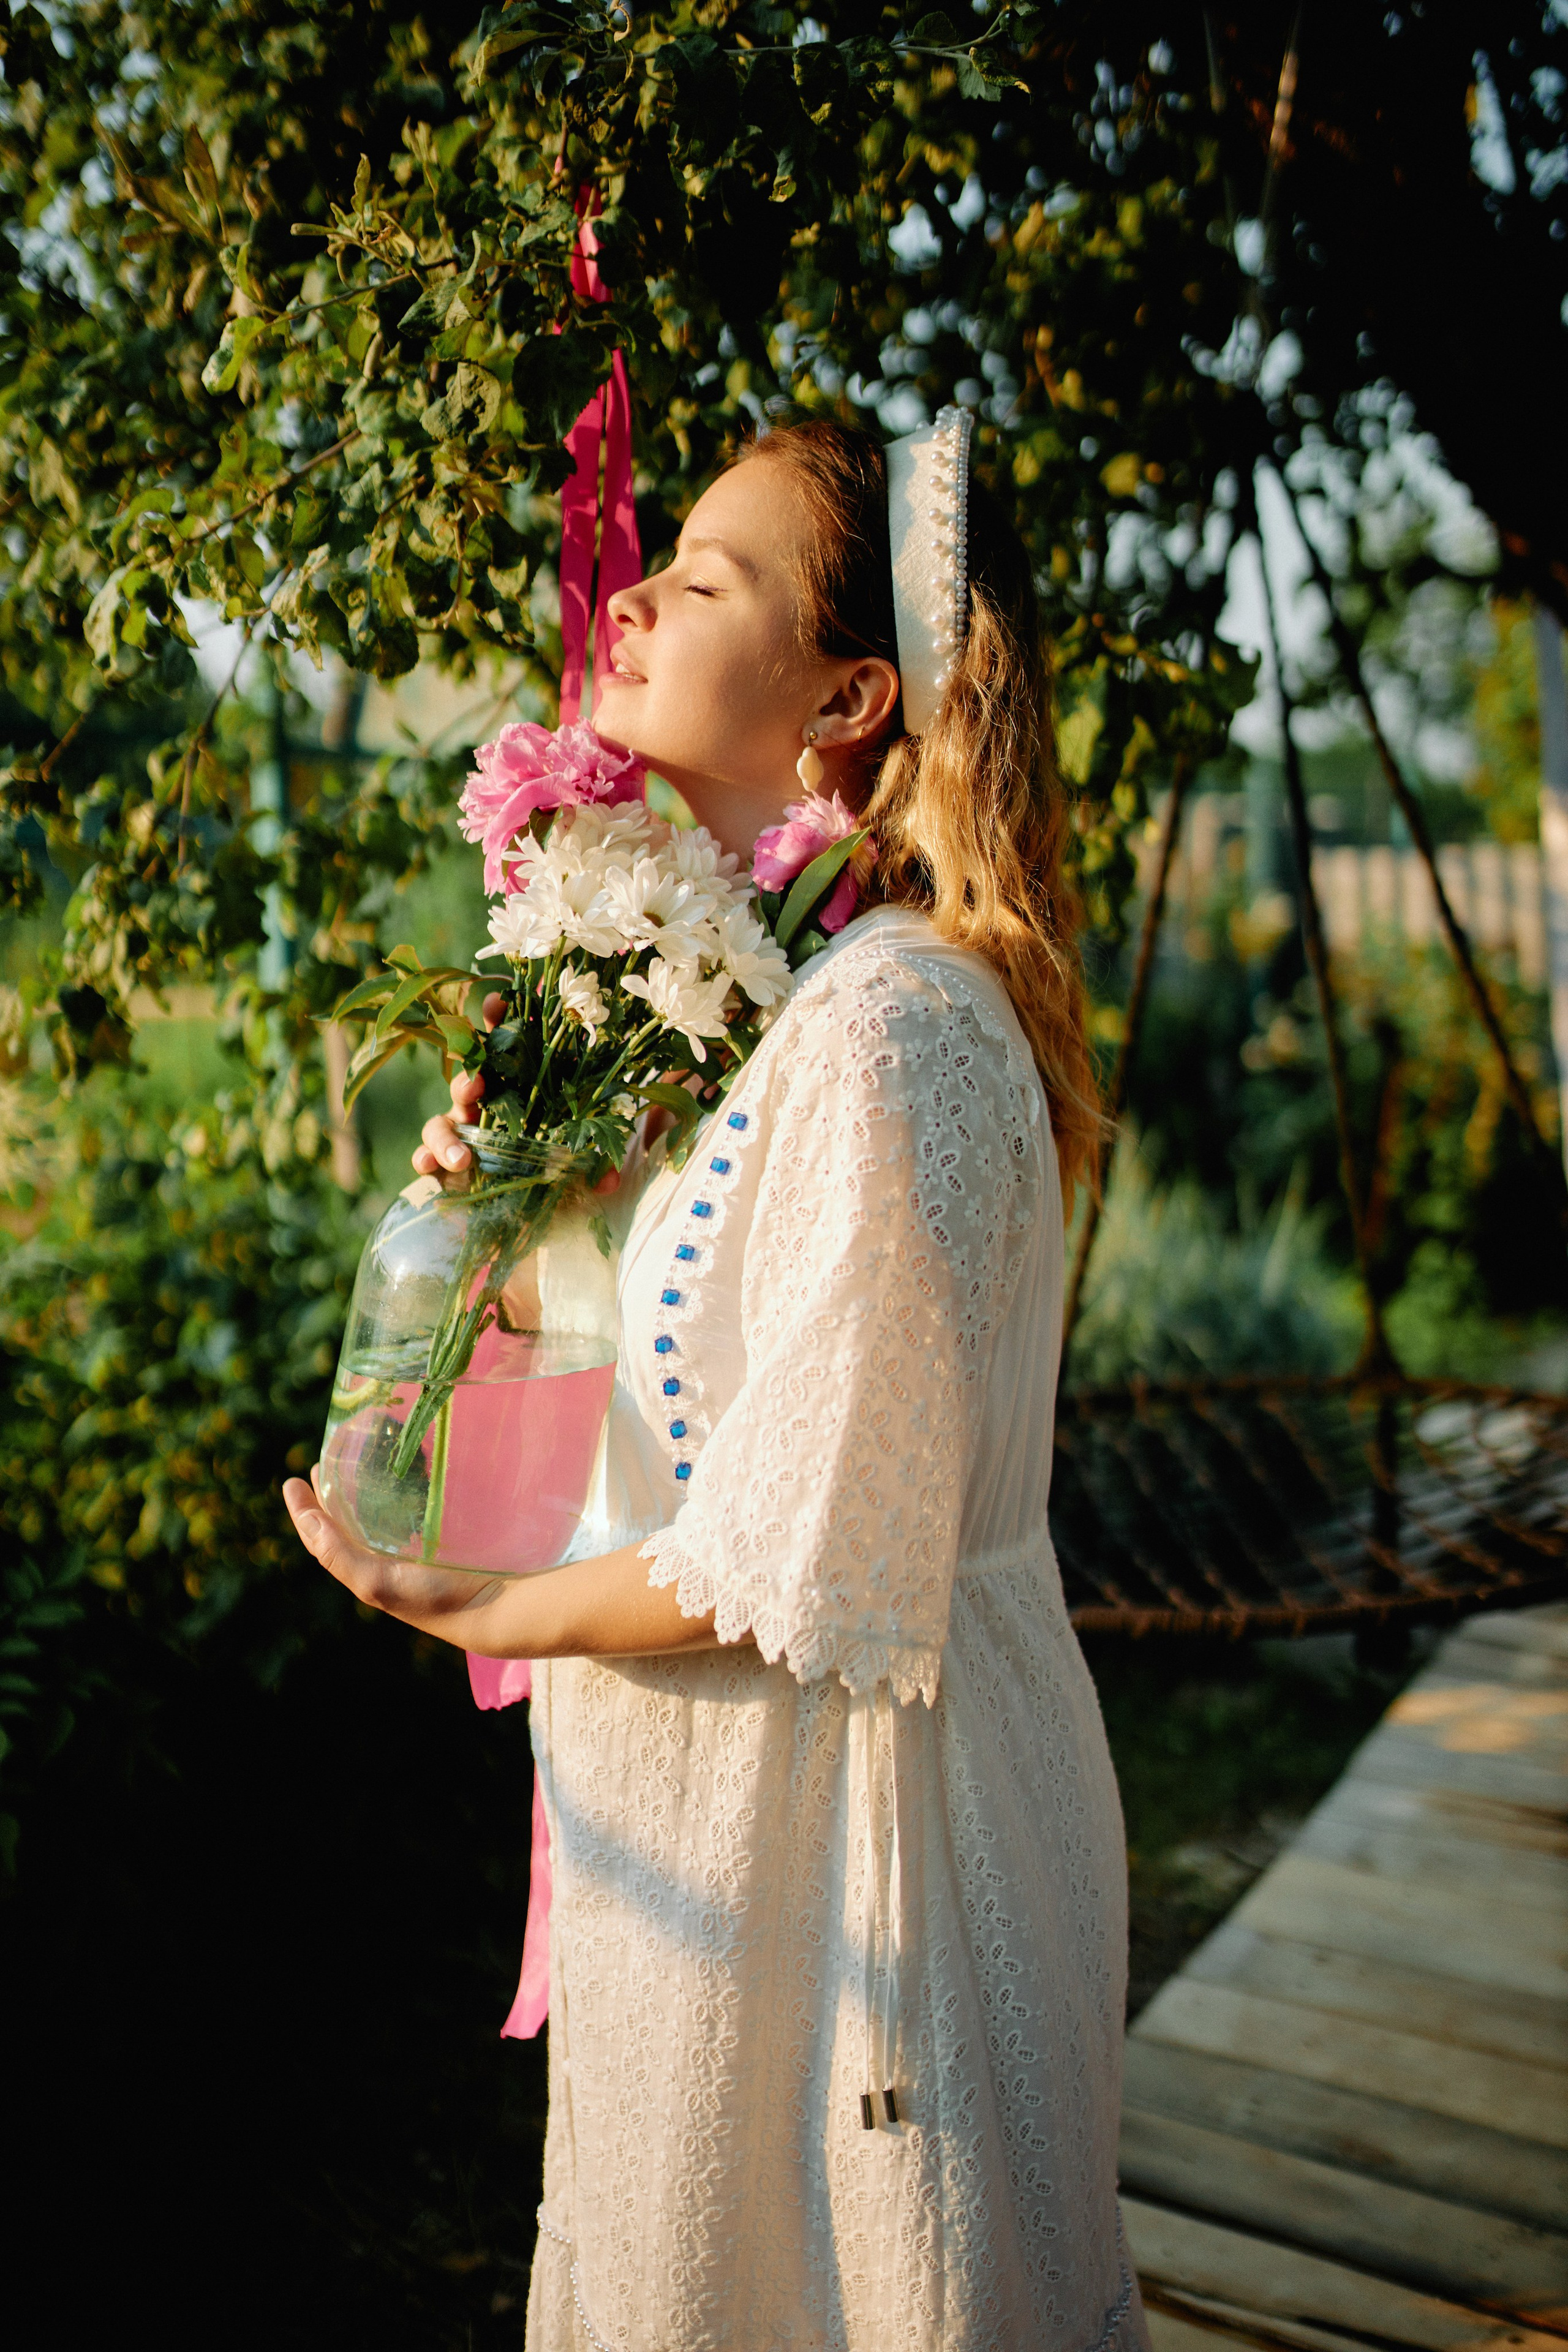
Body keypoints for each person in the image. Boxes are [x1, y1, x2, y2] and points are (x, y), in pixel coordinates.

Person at [284, 412, 1149, 2351]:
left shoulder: (890, 1029)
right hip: (719, 1866)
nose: (642, 593)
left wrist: (482, 1613)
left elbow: (805, 1548)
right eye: (657, 556)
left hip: (857, 1874)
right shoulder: (782, 1010)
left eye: (705, 573)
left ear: (851, 695)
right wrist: (507, 1253)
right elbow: (650, 1447)